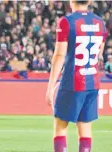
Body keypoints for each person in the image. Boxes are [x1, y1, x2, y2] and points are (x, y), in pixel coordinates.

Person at [46, 1, 108, 152]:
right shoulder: (100, 22)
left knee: (60, 127)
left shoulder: (67, 22)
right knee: (85, 128)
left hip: (72, 82)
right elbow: (100, 52)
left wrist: (50, 87)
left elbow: (60, 55)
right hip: (92, 82)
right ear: (90, 1)